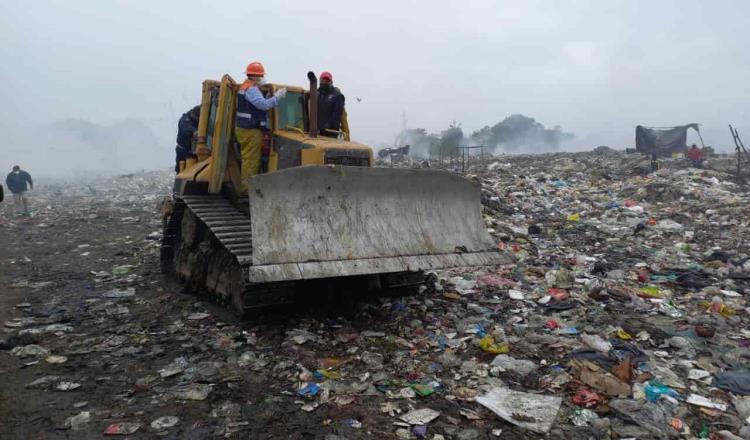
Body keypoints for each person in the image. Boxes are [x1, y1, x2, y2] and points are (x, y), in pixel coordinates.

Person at [235, 61, 286, 190]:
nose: (262, 78)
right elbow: (263, 105)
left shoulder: (246, 87)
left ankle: (249, 187)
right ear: (256, 76)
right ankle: (247, 191)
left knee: (250, 159)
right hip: (250, 130)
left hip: (246, 128)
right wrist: (276, 97)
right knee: (251, 160)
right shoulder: (251, 89)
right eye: (261, 75)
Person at [317, 71, 346, 138]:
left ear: (331, 82)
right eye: (322, 80)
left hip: (330, 133)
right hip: (316, 132)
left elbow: (336, 115)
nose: (324, 82)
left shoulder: (337, 96)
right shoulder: (316, 94)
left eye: (327, 80)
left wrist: (326, 126)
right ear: (319, 81)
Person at [175, 105, 200, 172]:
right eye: (197, 118)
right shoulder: (185, 120)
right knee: (181, 169)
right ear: (193, 115)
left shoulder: (198, 119)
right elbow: (187, 128)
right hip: (183, 150)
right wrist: (195, 131)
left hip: (196, 150)